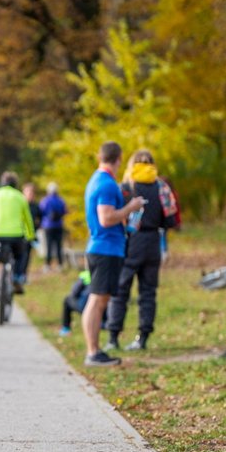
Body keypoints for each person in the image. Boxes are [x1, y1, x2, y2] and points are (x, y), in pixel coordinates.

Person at [103, 150, 179, 351]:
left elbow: (116, 214)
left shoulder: (126, 186)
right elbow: (171, 219)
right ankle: (142, 337)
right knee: (148, 292)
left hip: (130, 242)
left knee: (120, 291)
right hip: (153, 241)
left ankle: (113, 337)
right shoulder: (161, 186)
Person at [81, 141, 145, 366]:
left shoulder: (96, 180)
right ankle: (93, 352)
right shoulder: (107, 184)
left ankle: (95, 350)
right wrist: (131, 207)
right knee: (97, 300)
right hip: (105, 248)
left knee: (99, 299)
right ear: (118, 159)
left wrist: (126, 222)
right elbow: (106, 218)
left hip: (104, 246)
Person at [0, 172, 34, 308]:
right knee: (21, 255)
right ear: (15, 184)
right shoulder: (20, 197)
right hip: (16, 235)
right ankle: (17, 277)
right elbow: (27, 219)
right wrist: (30, 235)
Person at [39, 182, 67, 270]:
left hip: (48, 226)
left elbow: (41, 211)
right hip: (58, 225)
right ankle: (60, 264)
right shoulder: (60, 200)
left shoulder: (45, 200)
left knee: (48, 246)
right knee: (59, 246)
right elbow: (64, 211)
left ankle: (47, 265)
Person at [17, 182, 42, 280]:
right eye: (28, 193)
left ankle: (23, 275)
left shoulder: (35, 206)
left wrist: (37, 226)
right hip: (19, 234)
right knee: (19, 256)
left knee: (26, 256)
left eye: (32, 193)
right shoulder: (19, 204)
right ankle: (16, 274)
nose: (30, 195)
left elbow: (40, 217)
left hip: (30, 235)